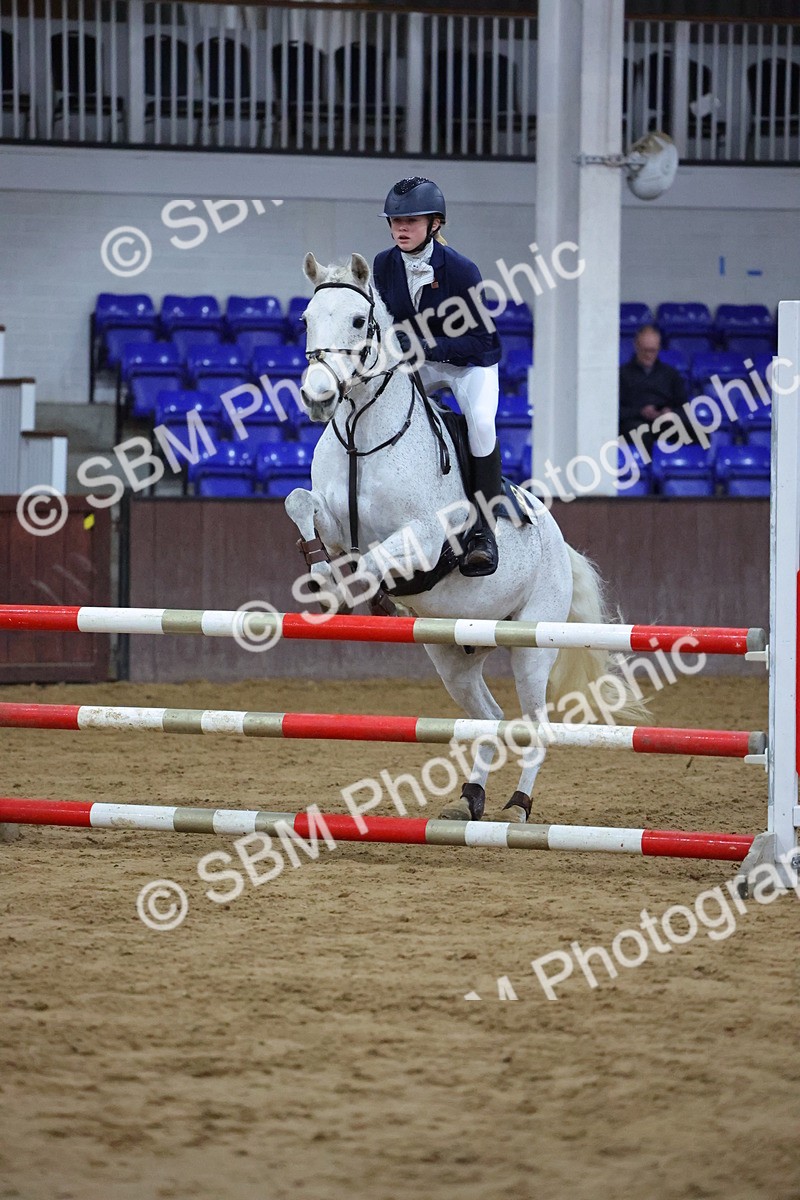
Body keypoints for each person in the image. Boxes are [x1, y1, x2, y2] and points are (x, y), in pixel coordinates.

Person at [372, 176, 503, 577]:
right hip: (420, 361)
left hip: (469, 363)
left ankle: (484, 530)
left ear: (435, 224)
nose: (401, 228)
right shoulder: (383, 264)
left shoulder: (462, 270)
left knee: (480, 423)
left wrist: (428, 348)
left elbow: (482, 339)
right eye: (395, 220)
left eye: (411, 220)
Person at [619, 323, 688, 445]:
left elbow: (683, 406)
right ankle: (653, 463)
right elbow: (617, 411)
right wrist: (640, 412)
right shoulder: (622, 374)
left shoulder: (670, 373)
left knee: (699, 434)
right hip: (635, 422)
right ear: (636, 346)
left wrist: (670, 412)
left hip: (665, 422)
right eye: (645, 350)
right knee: (640, 434)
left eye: (653, 350)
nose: (648, 355)